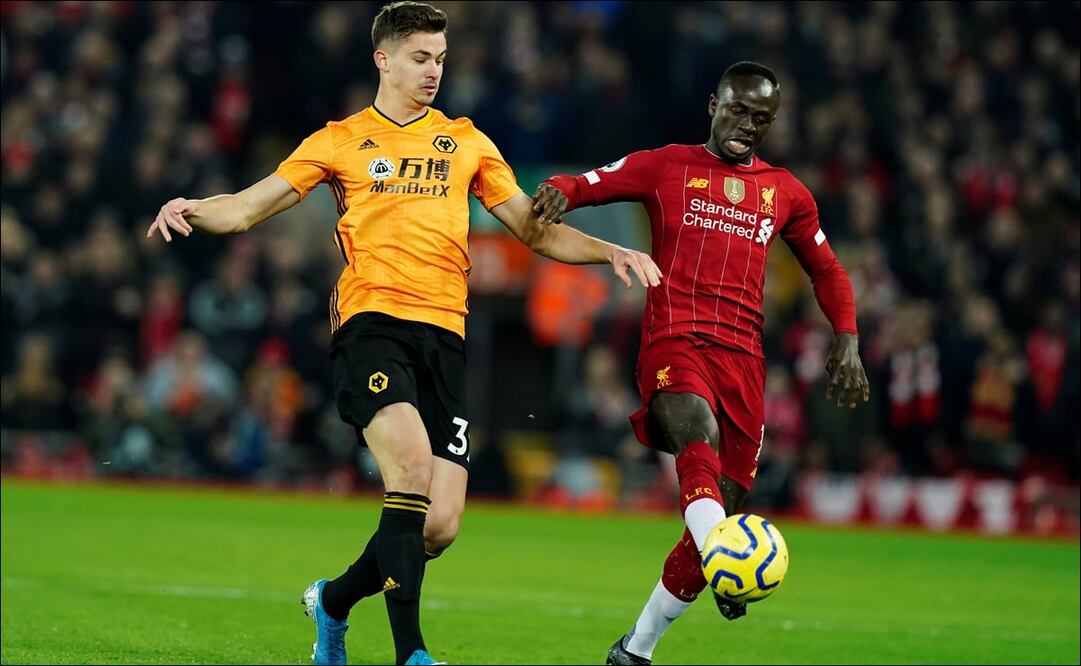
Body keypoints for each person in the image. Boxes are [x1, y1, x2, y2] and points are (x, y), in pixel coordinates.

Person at [145, 3, 661, 665]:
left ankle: (333, 602)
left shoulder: (466, 142)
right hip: (372, 323)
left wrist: (607, 250)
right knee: (411, 469)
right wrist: (192, 208)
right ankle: (411, 653)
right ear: (382, 59)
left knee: (438, 525)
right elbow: (247, 208)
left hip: (444, 335)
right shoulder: (339, 140)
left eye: (440, 59)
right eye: (420, 58)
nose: (433, 71)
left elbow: (533, 230)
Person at [534, 61, 871, 665]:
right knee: (698, 435)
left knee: (718, 509)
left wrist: (846, 336)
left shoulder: (786, 192)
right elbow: (591, 183)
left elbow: (828, 270)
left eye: (761, 118)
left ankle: (635, 650)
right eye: (738, 110)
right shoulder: (668, 166)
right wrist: (561, 187)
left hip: (745, 365)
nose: (747, 125)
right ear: (714, 105)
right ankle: (729, 558)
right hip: (675, 342)